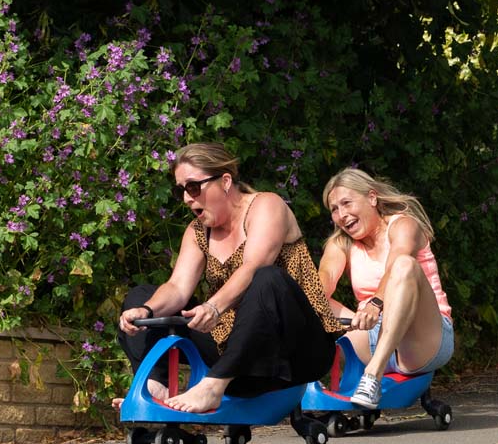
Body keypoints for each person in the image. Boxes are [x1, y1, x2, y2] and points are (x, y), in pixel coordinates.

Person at [115, 142, 341, 414]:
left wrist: (213, 307)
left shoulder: (266, 205)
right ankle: (154, 385)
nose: (187, 198)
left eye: (193, 187)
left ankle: (213, 385)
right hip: (239, 356)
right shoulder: (198, 231)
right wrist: (146, 310)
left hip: (297, 351)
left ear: (224, 181)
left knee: (267, 277)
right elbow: (177, 287)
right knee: (140, 296)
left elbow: (253, 265)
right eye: (181, 190)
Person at [318, 168, 454, 409]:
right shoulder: (341, 243)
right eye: (335, 210)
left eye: (347, 203)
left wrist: (375, 303)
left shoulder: (403, 225)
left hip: (422, 340)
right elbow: (326, 275)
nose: (341, 215)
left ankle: (372, 376)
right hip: (372, 334)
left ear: (372, 198)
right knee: (308, 293)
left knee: (405, 265)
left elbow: (397, 262)